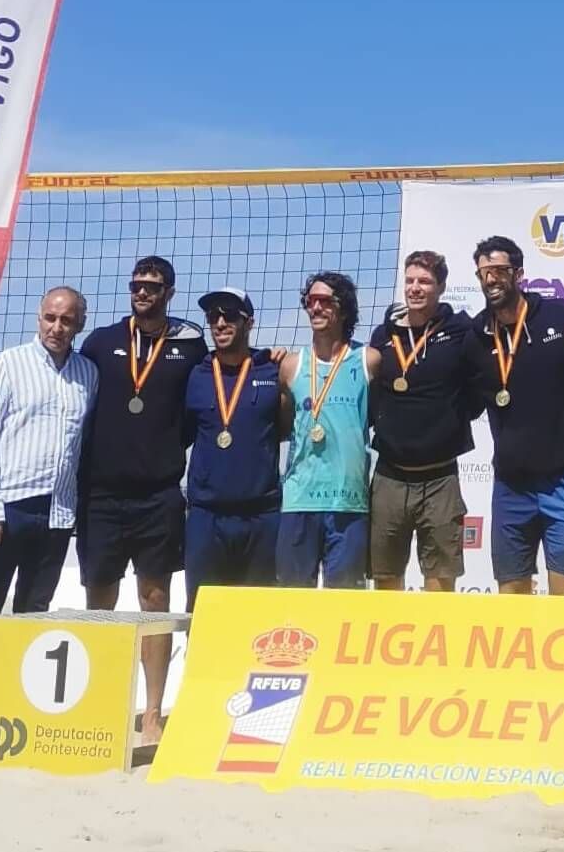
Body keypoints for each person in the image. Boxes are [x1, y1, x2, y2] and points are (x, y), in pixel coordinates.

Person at [0, 287, 97, 744]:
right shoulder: (9, 364)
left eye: (67, 320)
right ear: (38, 317)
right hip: (6, 508)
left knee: (33, 613)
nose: (56, 327)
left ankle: (10, 701)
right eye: (50, 317)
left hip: (57, 511)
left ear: (79, 325)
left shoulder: (88, 374)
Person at [75, 255, 205, 741]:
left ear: (169, 292)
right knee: (100, 602)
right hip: (102, 494)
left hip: (159, 494)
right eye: (136, 285)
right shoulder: (102, 342)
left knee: (155, 602)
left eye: (152, 286)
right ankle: (101, 702)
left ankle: (152, 712)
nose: (142, 293)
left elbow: (191, 418)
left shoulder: (188, 346)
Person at [463, 236, 564, 596]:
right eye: (484, 272)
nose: (491, 280)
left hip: (562, 479)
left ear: (518, 274)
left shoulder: (560, 315)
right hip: (510, 484)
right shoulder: (475, 335)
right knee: (511, 593)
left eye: (499, 271)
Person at [367, 250, 477, 592]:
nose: (415, 288)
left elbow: (475, 391)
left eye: (425, 281)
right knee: (386, 578)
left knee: (441, 582)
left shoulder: (460, 330)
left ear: (441, 287)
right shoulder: (382, 337)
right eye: (410, 280)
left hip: (441, 477)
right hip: (389, 475)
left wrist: (450, 421)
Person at [182, 287, 290, 608]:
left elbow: (286, 428)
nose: (220, 322)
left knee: (256, 618)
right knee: (203, 615)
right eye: (213, 316)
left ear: (250, 323)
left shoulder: (273, 369)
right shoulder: (196, 373)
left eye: (230, 315)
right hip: (206, 515)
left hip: (261, 515)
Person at [274, 272, 377, 589]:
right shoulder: (291, 365)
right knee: (293, 601)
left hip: (347, 500)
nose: (315, 308)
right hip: (299, 499)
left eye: (325, 301)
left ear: (343, 309)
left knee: (342, 605)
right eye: (310, 301)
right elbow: (282, 426)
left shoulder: (368, 360)